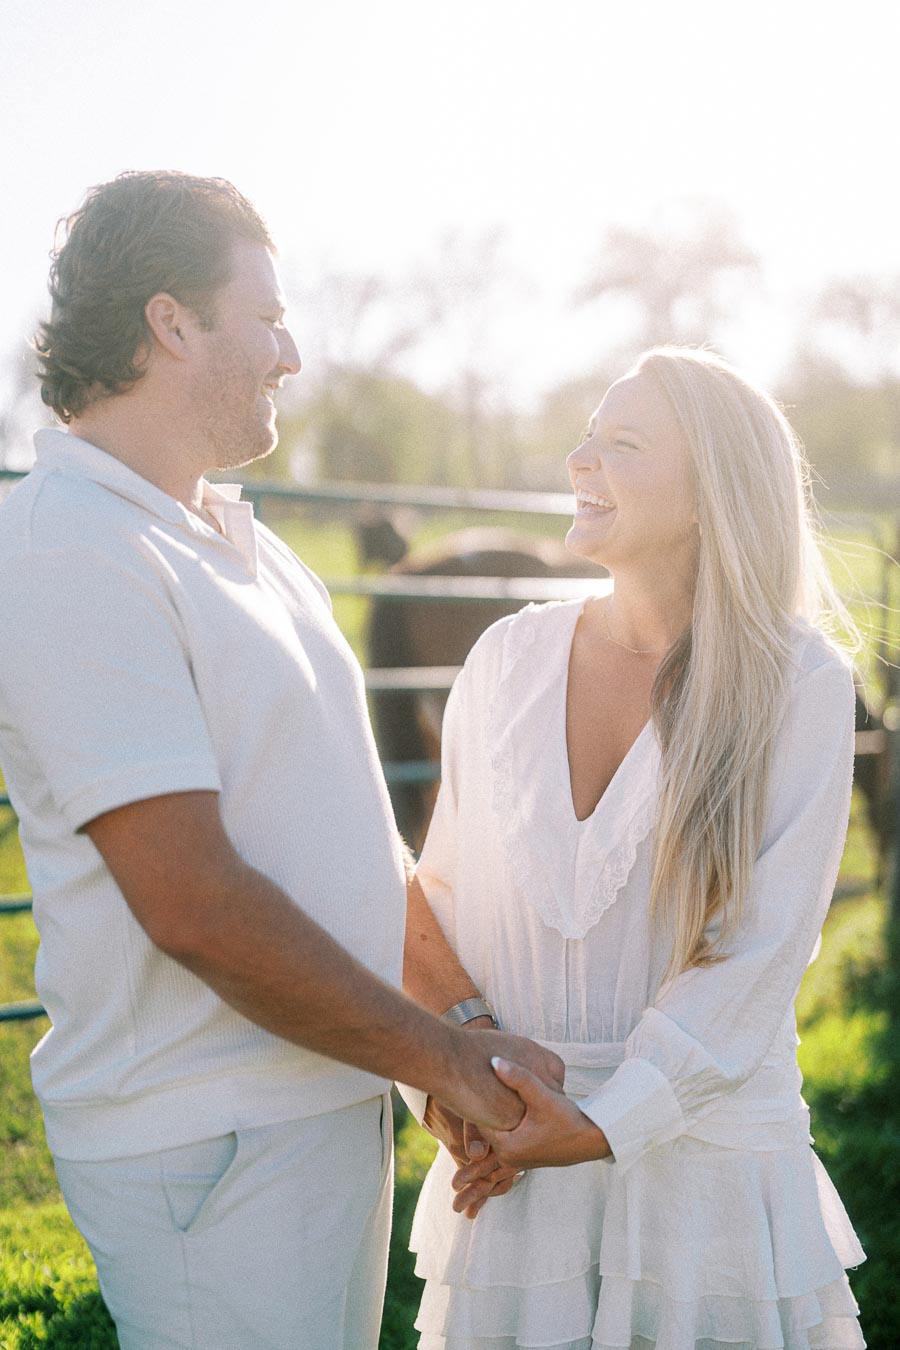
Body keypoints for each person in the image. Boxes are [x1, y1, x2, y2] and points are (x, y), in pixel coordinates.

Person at [0, 171, 563, 1350]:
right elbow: (193, 902)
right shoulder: (75, 551)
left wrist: (452, 1023)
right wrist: (449, 1064)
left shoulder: (239, 543)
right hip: (213, 1140)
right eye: (266, 316)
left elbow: (349, 839)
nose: (291, 352)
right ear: (171, 322)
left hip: (319, 1091)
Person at [402, 347, 868, 1350]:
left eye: (621, 443)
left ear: (712, 492)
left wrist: (611, 1122)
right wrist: (455, 1073)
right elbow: (439, 892)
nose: (580, 460)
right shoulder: (506, 657)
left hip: (703, 1179)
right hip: (512, 1166)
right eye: (585, 434)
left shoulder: (798, 684)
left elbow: (761, 946)